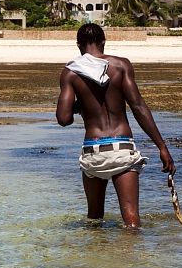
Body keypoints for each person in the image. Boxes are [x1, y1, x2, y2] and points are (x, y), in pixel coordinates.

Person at [56, 23, 175, 228]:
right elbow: (138, 107)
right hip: (121, 147)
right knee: (131, 220)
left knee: (94, 219)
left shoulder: (71, 73)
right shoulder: (121, 66)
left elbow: (63, 119)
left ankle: (95, 249)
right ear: (103, 42)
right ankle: (130, 249)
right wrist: (162, 147)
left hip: (93, 150)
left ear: (78, 45)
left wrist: (79, 105)